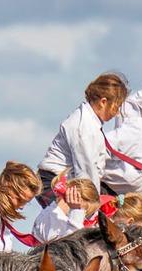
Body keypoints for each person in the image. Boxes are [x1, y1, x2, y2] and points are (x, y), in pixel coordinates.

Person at [39, 73, 128, 201]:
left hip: (68, 179)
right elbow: (86, 171)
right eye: (116, 106)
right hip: (53, 182)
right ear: (103, 102)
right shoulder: (84, 127)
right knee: (77, 212)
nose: (117, 113)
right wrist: (93, 205)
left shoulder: (91, 121)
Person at [32, 177, 99, 242]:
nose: (83, 217)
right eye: (84, 212)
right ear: (73, 200)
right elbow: (69, 245)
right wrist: (76, 213)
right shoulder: (53, 218)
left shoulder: (53, 213)